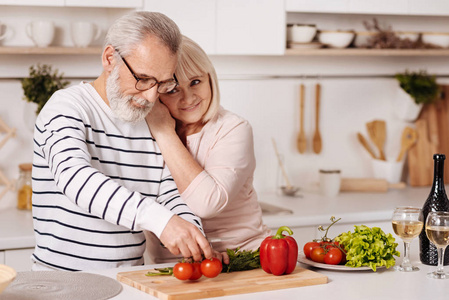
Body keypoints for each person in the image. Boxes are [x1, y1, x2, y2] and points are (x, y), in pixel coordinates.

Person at [31, 12, 213, 271]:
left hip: (126, 282)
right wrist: (160, 221)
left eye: (162, 83)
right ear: (109, 58)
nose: (151, 97)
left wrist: (193, 237)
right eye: (143, 79)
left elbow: (169, 191)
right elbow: (75, 179)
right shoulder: (66, 107)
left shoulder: (151, 120)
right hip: (61, 284)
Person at [145, 36, 271, 263]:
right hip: (172, 266)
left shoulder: (233, 128)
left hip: (243, 261)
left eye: (195, 82)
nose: (188, 97)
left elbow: (208, 203)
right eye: (173, 90)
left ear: (210, 78)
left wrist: (164, 131)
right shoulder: (143, 130)